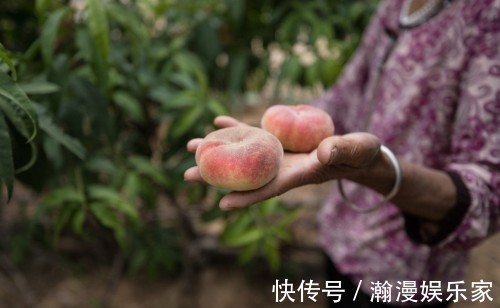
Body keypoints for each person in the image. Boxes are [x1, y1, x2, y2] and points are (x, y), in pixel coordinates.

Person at [184, 0, 500, 307]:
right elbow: (345, 96)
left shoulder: (488, 17)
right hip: (341, 237)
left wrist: (377, 169)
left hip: (404, 275)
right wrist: (286, 129)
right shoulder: (395, 6)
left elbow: (487, 195)